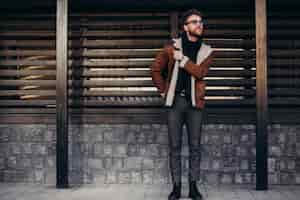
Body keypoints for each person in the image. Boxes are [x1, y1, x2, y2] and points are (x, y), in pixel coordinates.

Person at [151, 9, 215, 200]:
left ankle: (193, 187)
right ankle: (176, 187)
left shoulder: (207, 51)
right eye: (194, 22)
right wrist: (164, 91)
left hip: (195, 103)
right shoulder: (171, 47)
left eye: (201, 22)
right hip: (175, 102)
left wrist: (184, 60)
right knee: (175, 146)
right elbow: (155, 70)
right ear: (185, 26)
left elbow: (201, 73)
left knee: (195, 146)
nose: (199, 24)